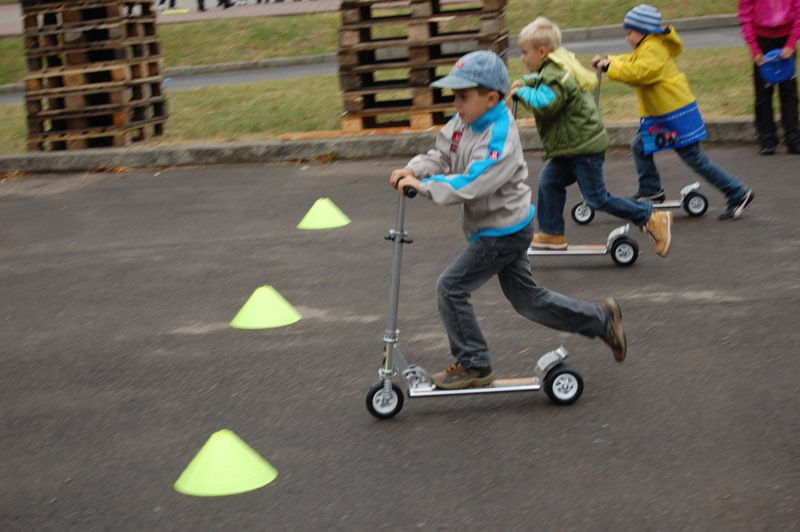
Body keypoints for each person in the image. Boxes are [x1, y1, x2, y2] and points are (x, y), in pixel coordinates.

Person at [388, 50, 627, 390]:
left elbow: (476, 180)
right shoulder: (463, 123)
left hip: (503, 232)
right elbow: (441, 156)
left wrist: (424, 186)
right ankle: (601, 320)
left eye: (463, 97)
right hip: (495, 227)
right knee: (528, 300)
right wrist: (415, 169)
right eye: (454, 96)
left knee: (451, 287)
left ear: (491, 98)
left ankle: (475, 364)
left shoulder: (501, 134)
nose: (456, 104)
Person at [510, 17, 673, 257]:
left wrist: (521, 92)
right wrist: (527, 81)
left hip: (583, 146)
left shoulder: (555, 76)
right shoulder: (557, 64)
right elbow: (545, 81)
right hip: (572, 145)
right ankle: (552, 233)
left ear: (542, 52)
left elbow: (546, 104)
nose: (522, 57)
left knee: (597, 198)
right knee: (549, 181)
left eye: (525, 53)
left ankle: (650, 216)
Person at [592, 4, 755, 221]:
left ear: (643, 31)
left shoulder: (654, 49)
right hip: (664, 115)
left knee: (694, 158)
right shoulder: (648, 46)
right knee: (640, 146)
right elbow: (632, 62)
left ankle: (737, 191)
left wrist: (609, 67)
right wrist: (610, 61)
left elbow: (641, 72)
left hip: (675, 115)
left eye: (629, 33)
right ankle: (651, 189)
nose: (627, 38)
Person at [738, 0, 800, 155]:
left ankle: (793, 138)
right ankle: (767, 139)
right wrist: (754, 48)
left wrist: (792, 43)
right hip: (762, 41)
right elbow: (745, 15)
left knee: (789, 92)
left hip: (786, 39)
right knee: (763, 94)